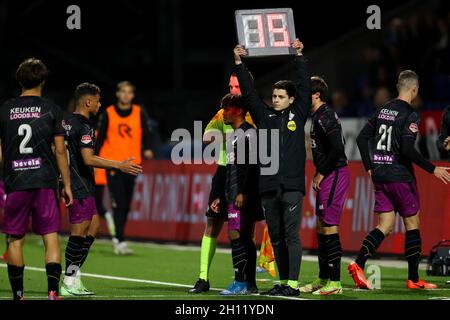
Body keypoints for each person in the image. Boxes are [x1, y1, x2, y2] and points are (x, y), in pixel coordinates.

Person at [351, 70, 450, 290]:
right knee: (412, 225)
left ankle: (358, 264)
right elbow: (407, 149)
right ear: (414, 89)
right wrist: (432, 169)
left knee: (384, 226)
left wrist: (369, 167)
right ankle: (414, 279)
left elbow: (361, 138)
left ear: (399, 86)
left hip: (380, 175)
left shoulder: (383, 109)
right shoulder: (410, 114)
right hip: (400, 176)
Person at [233, 39, 311, 297]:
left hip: (291, 186)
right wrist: (239, 63)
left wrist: (299, 57)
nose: (275, 100)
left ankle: (293, 284)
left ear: (291, 99)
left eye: (280, 97)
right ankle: (282, 282)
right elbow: (249, 94)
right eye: (274, 96)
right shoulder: (263, 117)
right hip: (268, 187)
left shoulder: (298, 114)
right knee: (276, 237)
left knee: (291, 235)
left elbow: (305, 87)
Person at [0, 58, 73, 300]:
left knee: (15, 238)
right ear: (43, 81)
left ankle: (18, 295)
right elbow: (60, 150)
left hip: (16, 182)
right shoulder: (52, 109)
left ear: (19, 80)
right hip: (45, 181)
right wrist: (67, 185)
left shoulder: (5, 109)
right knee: (50, 236)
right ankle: (53, 293)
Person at [61, 83, 142, 296]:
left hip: (79, 183)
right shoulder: (85, 126)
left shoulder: (65, 122)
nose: (99, 104)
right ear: (88, 102)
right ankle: (69, 280)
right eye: (97, 100)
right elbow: (88, 158)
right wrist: (119, 165)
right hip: (79, 184)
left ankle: (74, 275)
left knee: (94, 227)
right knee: (79, 232)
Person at [189, 74, 255, 293]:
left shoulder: (254, 112)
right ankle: (203, 278)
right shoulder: (222, 112)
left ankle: (247, 280)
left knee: (245, 230)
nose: (233, 89)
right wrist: (231, 138)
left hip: (246, 173)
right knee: (212, 223)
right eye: (230, 85)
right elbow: (207, 136)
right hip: (225, 170)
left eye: (237, 85)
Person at [300, 76, 349, 295]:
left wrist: (322, 172)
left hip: (334, 173)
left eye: (306, 93)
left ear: (317, 94)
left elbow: (338, 148)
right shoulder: (317, 116)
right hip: (328, 174)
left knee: (329, 225)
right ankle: (323, 277)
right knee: (321, 225)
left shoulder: (325, 115)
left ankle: (335, 282)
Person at [208, 94, 261, 295]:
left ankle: (239, 282)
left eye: (227, 109)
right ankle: (251, 284)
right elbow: (232, 168)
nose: (223, 113)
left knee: (235, 234)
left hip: (242, 194)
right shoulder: (236, 135)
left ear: (239, 110)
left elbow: (252, 166)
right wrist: (222, 195)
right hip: (234, 193)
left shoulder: (248, 134)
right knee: (245, 236)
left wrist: (242, 192)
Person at [95, 81, 154, 254]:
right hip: (114, 165)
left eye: (129, 92)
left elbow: (147, 132)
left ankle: (120, 238)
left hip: (133, 165)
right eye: (123, 92)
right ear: (118, 94)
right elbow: (100, 138)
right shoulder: (108, 113)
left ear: (133, 95)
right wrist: (94, 159)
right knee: (118, 202)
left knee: (126, 204)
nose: (126, 95)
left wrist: (149, 148)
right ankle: (119, 240)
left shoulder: (138, 112)